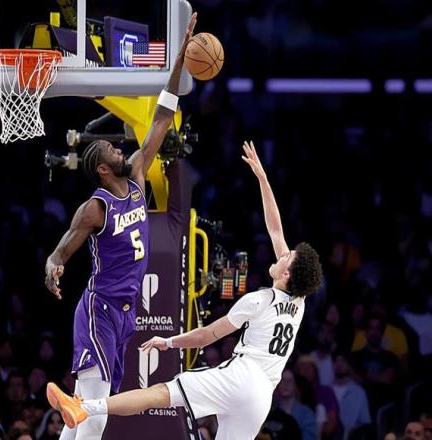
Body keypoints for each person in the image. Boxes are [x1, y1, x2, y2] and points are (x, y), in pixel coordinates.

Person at [46, 140, 323, 440]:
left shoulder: (259, 300)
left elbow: (207, 335)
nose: (282, 253)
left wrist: (169, 342)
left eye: (287, 257)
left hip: (241, 377)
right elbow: (276, 229)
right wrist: (263, 179)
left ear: (287, 273)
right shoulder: (299, 299)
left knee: (159, 394)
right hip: (262, 398)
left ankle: (85, 406)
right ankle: (82, 407)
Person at [43, 13, 198, 440]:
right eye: (110, 150)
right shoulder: (96, 207)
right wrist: (53, 265)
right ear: (102, 169)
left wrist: (179, 59)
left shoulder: (136, 175)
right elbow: (62, 249)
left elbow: (162, 118)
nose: (118, 149)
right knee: (95, 415)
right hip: (100, 309)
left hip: (124, 315)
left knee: (82, 410)